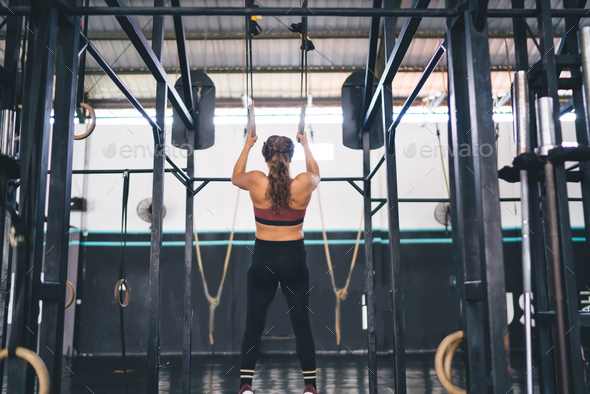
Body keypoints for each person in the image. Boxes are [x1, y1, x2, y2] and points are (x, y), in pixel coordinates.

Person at [231, 131, 321, 394]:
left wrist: (247, 144)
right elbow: (317, 174)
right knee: (302, 323)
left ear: (265, 157)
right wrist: (306, 145)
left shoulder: (256, 181)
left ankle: (245, 386)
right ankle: (310, 387)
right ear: (291, 157)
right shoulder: (303, 183)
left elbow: (235, 177)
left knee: (254, 324)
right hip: (294, 258)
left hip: (263, 258)